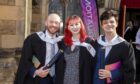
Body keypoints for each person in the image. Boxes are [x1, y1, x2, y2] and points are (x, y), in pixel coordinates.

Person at [14, 13, 63, 84]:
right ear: (46, 22)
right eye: (51, 22)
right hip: (39, 79)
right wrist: (35, 71)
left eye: (56, 23)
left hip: (57, 79)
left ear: (59, 25)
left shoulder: (62, 41)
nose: (53, 25)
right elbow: (25, 59)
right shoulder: (33, 39)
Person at [92, 10, 136, 84]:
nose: (109, 24)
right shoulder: (96, 43)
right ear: (102, 25)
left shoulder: (125, 46)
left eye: (112, 22)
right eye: (105, 22)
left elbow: (130, 71)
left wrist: (111, 74)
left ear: (117, 24)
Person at [55, 15, 96, 84]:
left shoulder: (89, 42)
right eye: (71, 25)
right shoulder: (63, 42)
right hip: (64, 79)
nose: (74, 27)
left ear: (81, 25)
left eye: (77, 24)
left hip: (81, 79)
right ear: (68, 27)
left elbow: (93, 63)